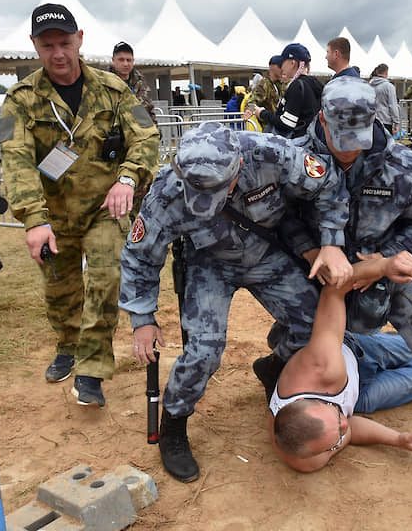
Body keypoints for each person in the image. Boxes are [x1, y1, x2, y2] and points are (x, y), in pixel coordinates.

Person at [119, 121, 352, 483]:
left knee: (314, 329)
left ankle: (274, 367)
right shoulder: (167, 189)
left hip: (267, 254)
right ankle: (174, 427)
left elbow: (328, 184)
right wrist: (143, 318)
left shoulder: (271, 153)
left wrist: (331, 242)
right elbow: (139, 255)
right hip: (210, 264)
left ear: (238, 166)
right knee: (204, 351)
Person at [257, 76, 412, 407]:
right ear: (321, 119)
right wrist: (310, 250)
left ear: (374, 120)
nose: (348, 150)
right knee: (301, 337)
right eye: (339, 138)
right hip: (319, 277)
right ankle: (275, 366)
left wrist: (382, 261)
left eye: (356, 139)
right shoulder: (296, 160)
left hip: (385, 278)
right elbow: (279, 215)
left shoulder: (402, 166)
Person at [0, 3, 159, 407]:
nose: (58, 53)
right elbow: (16, 158)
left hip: (106, 208)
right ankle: (68, 345)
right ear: (35, 46)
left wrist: (127, 178)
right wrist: (33, 220)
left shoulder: (114, 89)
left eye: (65, 43)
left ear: (80, 40)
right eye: (47, 44)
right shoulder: (20, 100)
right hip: (52, 213)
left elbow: (147, 136)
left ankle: (91, 368)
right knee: (61, 288)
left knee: (106, 278)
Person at [270, 256, 412, 472]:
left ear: (309, 401)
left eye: (338, 418)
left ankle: (392, 342)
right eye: (337, 435)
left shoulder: (323, 366)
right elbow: (350, 428)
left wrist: (382, 266)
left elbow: (334, 289)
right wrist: (400, 439)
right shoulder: (309, 458)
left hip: (354, 355)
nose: (345, 425)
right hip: (357, 396)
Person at [250, 43, 322, 139]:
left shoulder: (297, 85)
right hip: (312, 141)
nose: (282, 67)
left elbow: (287, 123)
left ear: (293, 63)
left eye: (283, 62)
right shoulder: (315, 83)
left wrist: (262, 113)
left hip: (298, 143)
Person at [110, 42, 154, 117]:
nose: (125, 64)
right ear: (113, 60)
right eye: (121, 60)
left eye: (128, 60)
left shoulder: (140, 83)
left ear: (133, 61)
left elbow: (149, 113)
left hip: (138, 127)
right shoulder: (104, 81)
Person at [247, 55, 286, 132]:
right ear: (272, 67)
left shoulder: (281, 84)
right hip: (269, 127)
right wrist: (249, 111)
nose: (284, 69)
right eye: (281, 66)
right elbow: (251, 102)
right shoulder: (264, 84)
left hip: (280, 125)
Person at [368, 64, 399, 135]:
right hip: (385, 120)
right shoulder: (389, 86)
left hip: (371, 120)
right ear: (386, 73)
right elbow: (393, 105)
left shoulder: (369, 85)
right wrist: (396, 122)